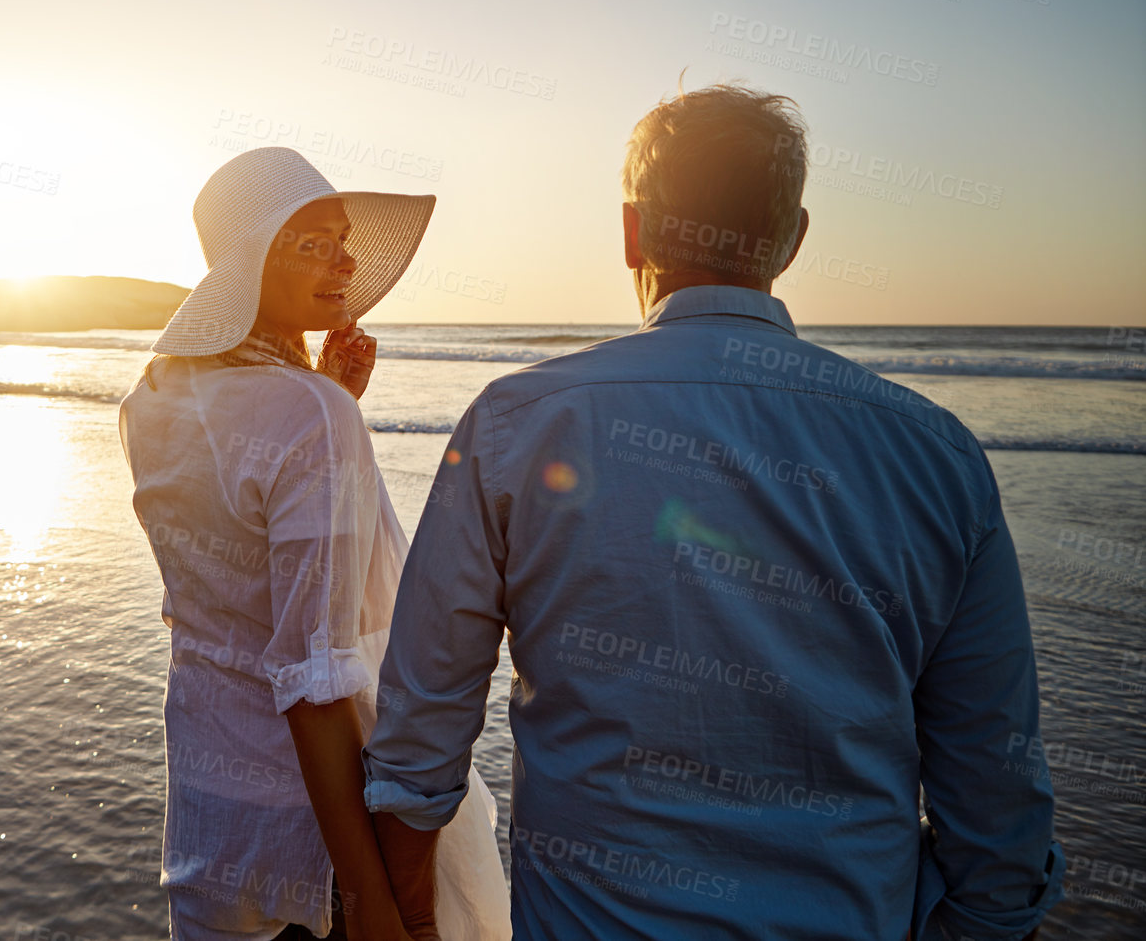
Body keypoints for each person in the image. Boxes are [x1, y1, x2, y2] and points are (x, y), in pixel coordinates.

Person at [362, 84, 1065, 940]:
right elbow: (997, 793)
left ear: (632, 229)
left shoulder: (519, 423)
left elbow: (419, 742)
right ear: (793, 240)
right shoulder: (937, 455)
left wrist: (410, 923)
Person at [119, 147, 509, 941]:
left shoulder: (150, 401)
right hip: (317, 842)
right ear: (248, 265)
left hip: (212, 815)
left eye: (342, 237)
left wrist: (327, 397)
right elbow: (313, 679)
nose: (346, 260)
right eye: (311, 243)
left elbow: (228, 588)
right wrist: (371, 903)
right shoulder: (307, 418)